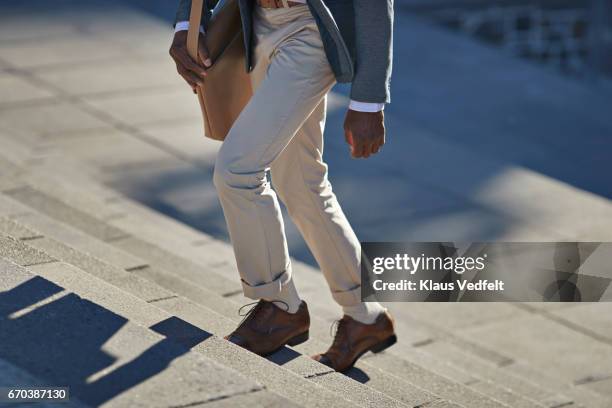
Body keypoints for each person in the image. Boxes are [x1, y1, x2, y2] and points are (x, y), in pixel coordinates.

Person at [169, 0, 396, 372]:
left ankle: (278, 306)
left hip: (312, 29)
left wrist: (368, 102)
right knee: (301, 183)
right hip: (259, 24)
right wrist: (186, 23)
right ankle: (365, 315)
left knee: (237, 172)